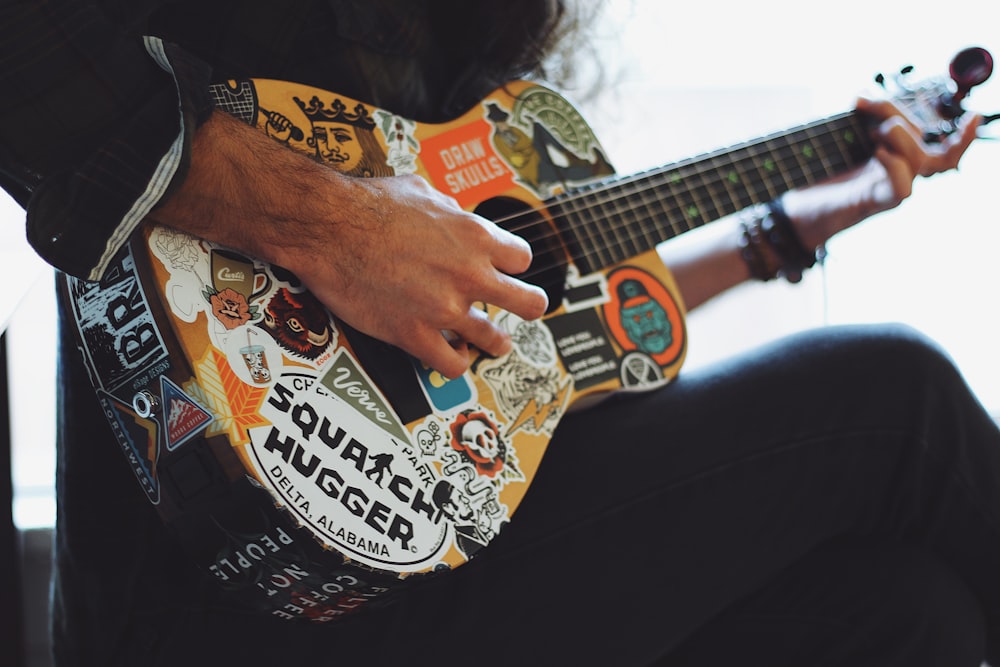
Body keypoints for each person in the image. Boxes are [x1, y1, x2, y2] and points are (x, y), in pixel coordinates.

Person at [0, 1, 996, 665]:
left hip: (454, 545)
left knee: (909, 616)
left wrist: (786, 227)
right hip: (236, 585)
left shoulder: (456, 69)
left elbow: (533, 325)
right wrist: (341, 226)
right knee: (898, 402)